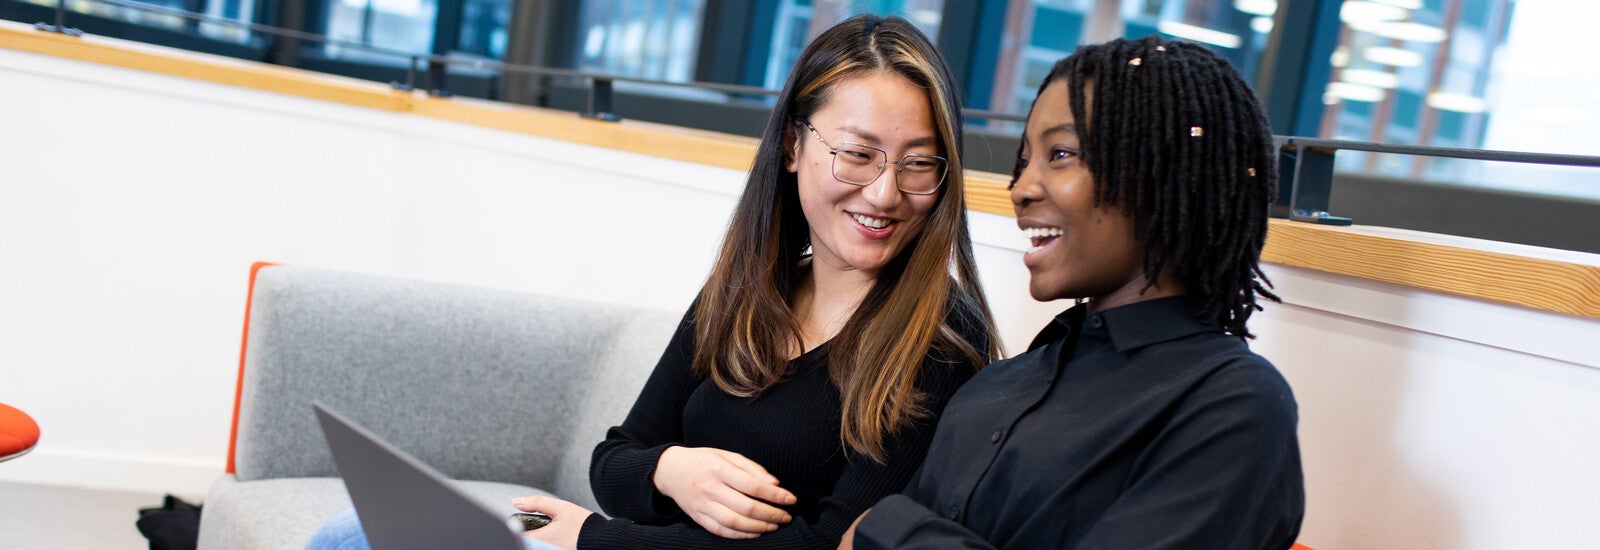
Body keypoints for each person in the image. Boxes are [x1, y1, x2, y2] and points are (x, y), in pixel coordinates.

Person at [305, 14, 1000, 550]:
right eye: (858, 154)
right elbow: (615, 460)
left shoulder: (941, 340)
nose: (884, 192)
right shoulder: (750, 291)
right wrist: (673, 471)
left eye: (919, 164)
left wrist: (592, 538)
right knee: (354, 528)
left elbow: (826, 545)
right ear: (792, 146)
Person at [844, 36, 1305, 549]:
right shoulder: (997, 385)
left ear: (1161, 172)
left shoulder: (1234, 405)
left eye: (1060, 154)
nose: (1021, 188)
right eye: (1025, 160)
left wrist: (884, 529)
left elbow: (875, 530)